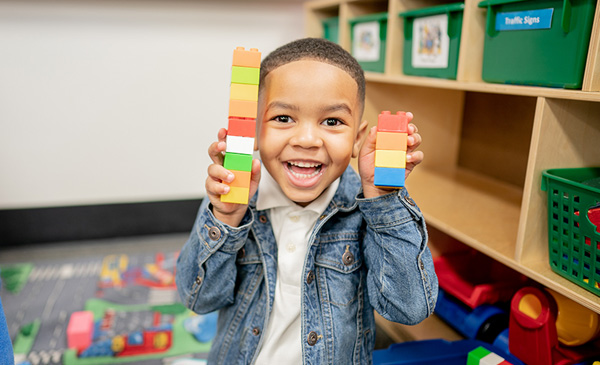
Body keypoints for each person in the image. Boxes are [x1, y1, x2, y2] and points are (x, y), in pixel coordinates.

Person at [176, 37, 438, 364]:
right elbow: (197, 298)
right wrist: (226, 219)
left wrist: (383, 201)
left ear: (358, 139)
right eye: (284, 118)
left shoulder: (366, 210)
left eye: (332, 122)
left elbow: (409, 308)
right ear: (254, 130)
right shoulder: (232, 199)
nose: (307, 140)